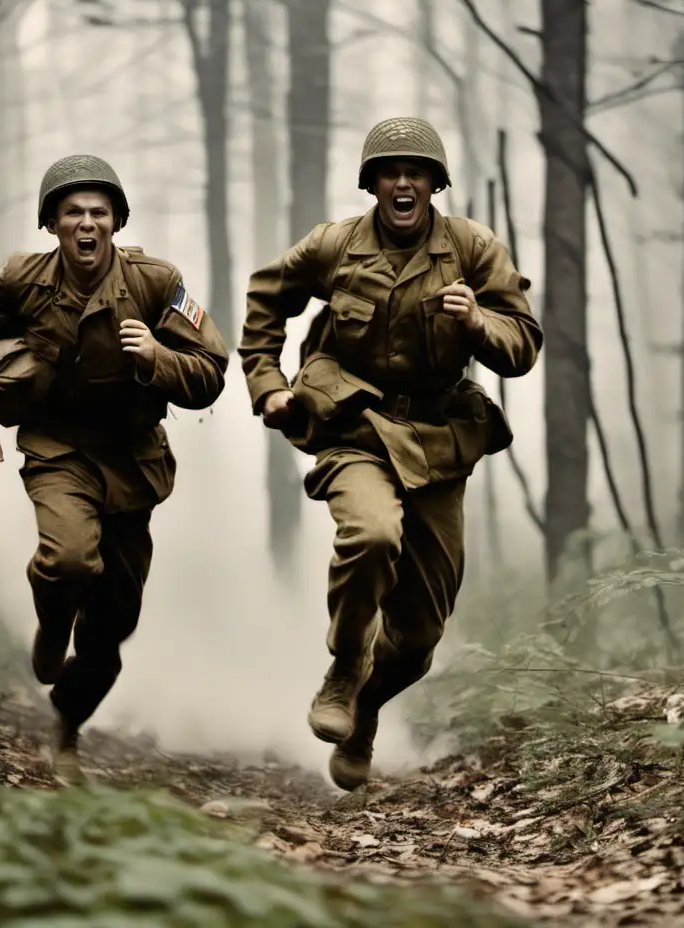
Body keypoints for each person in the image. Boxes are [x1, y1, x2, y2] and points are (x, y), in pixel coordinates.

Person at [238, 117, 543, 791]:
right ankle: (345, 669)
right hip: (353, 427)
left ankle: (367, 706)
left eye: (416, 172)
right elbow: (266, 299)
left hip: (438, 443)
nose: (403, 182)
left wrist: (477, 323)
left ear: (435, 183)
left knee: (420, 639)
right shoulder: (335, 245)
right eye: (390, 171)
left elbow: (522, 344)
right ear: (372, 183)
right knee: (372, 534)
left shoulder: (471, 247)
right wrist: (268, 385)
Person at [0, 154, 229, 782]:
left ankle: (66, 726)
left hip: (133, 461)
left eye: (98, 213)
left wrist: (158, 357)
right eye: (72, 212)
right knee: (70, 557)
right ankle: (52, 624)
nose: (86, 224)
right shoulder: (21, 279)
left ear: (116, 223)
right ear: (51, 222)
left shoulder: (157, 283)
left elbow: (210, 373)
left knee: (111, 634)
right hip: (58, 449)